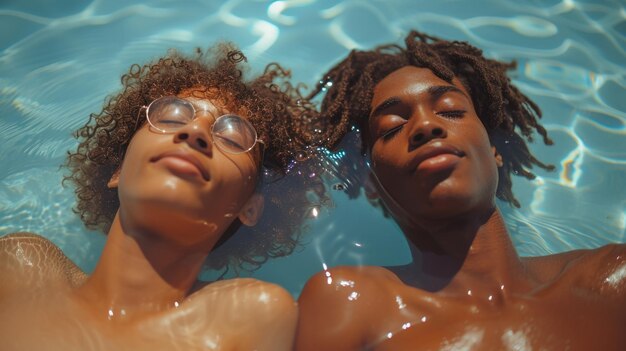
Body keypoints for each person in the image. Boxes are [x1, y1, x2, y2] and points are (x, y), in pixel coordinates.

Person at [295, 31, 626, 350]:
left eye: (451, 110)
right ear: (371, 185)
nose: (425, 126)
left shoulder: (612, 279)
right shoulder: (349, 304)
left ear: (494, 149)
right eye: (392, 127)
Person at [0, 43, 320, 351]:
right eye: (170, 118)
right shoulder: (21, 266)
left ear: (250, 208)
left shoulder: (249, 316)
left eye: (233, 137)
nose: (195, 132)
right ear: (118, 170)